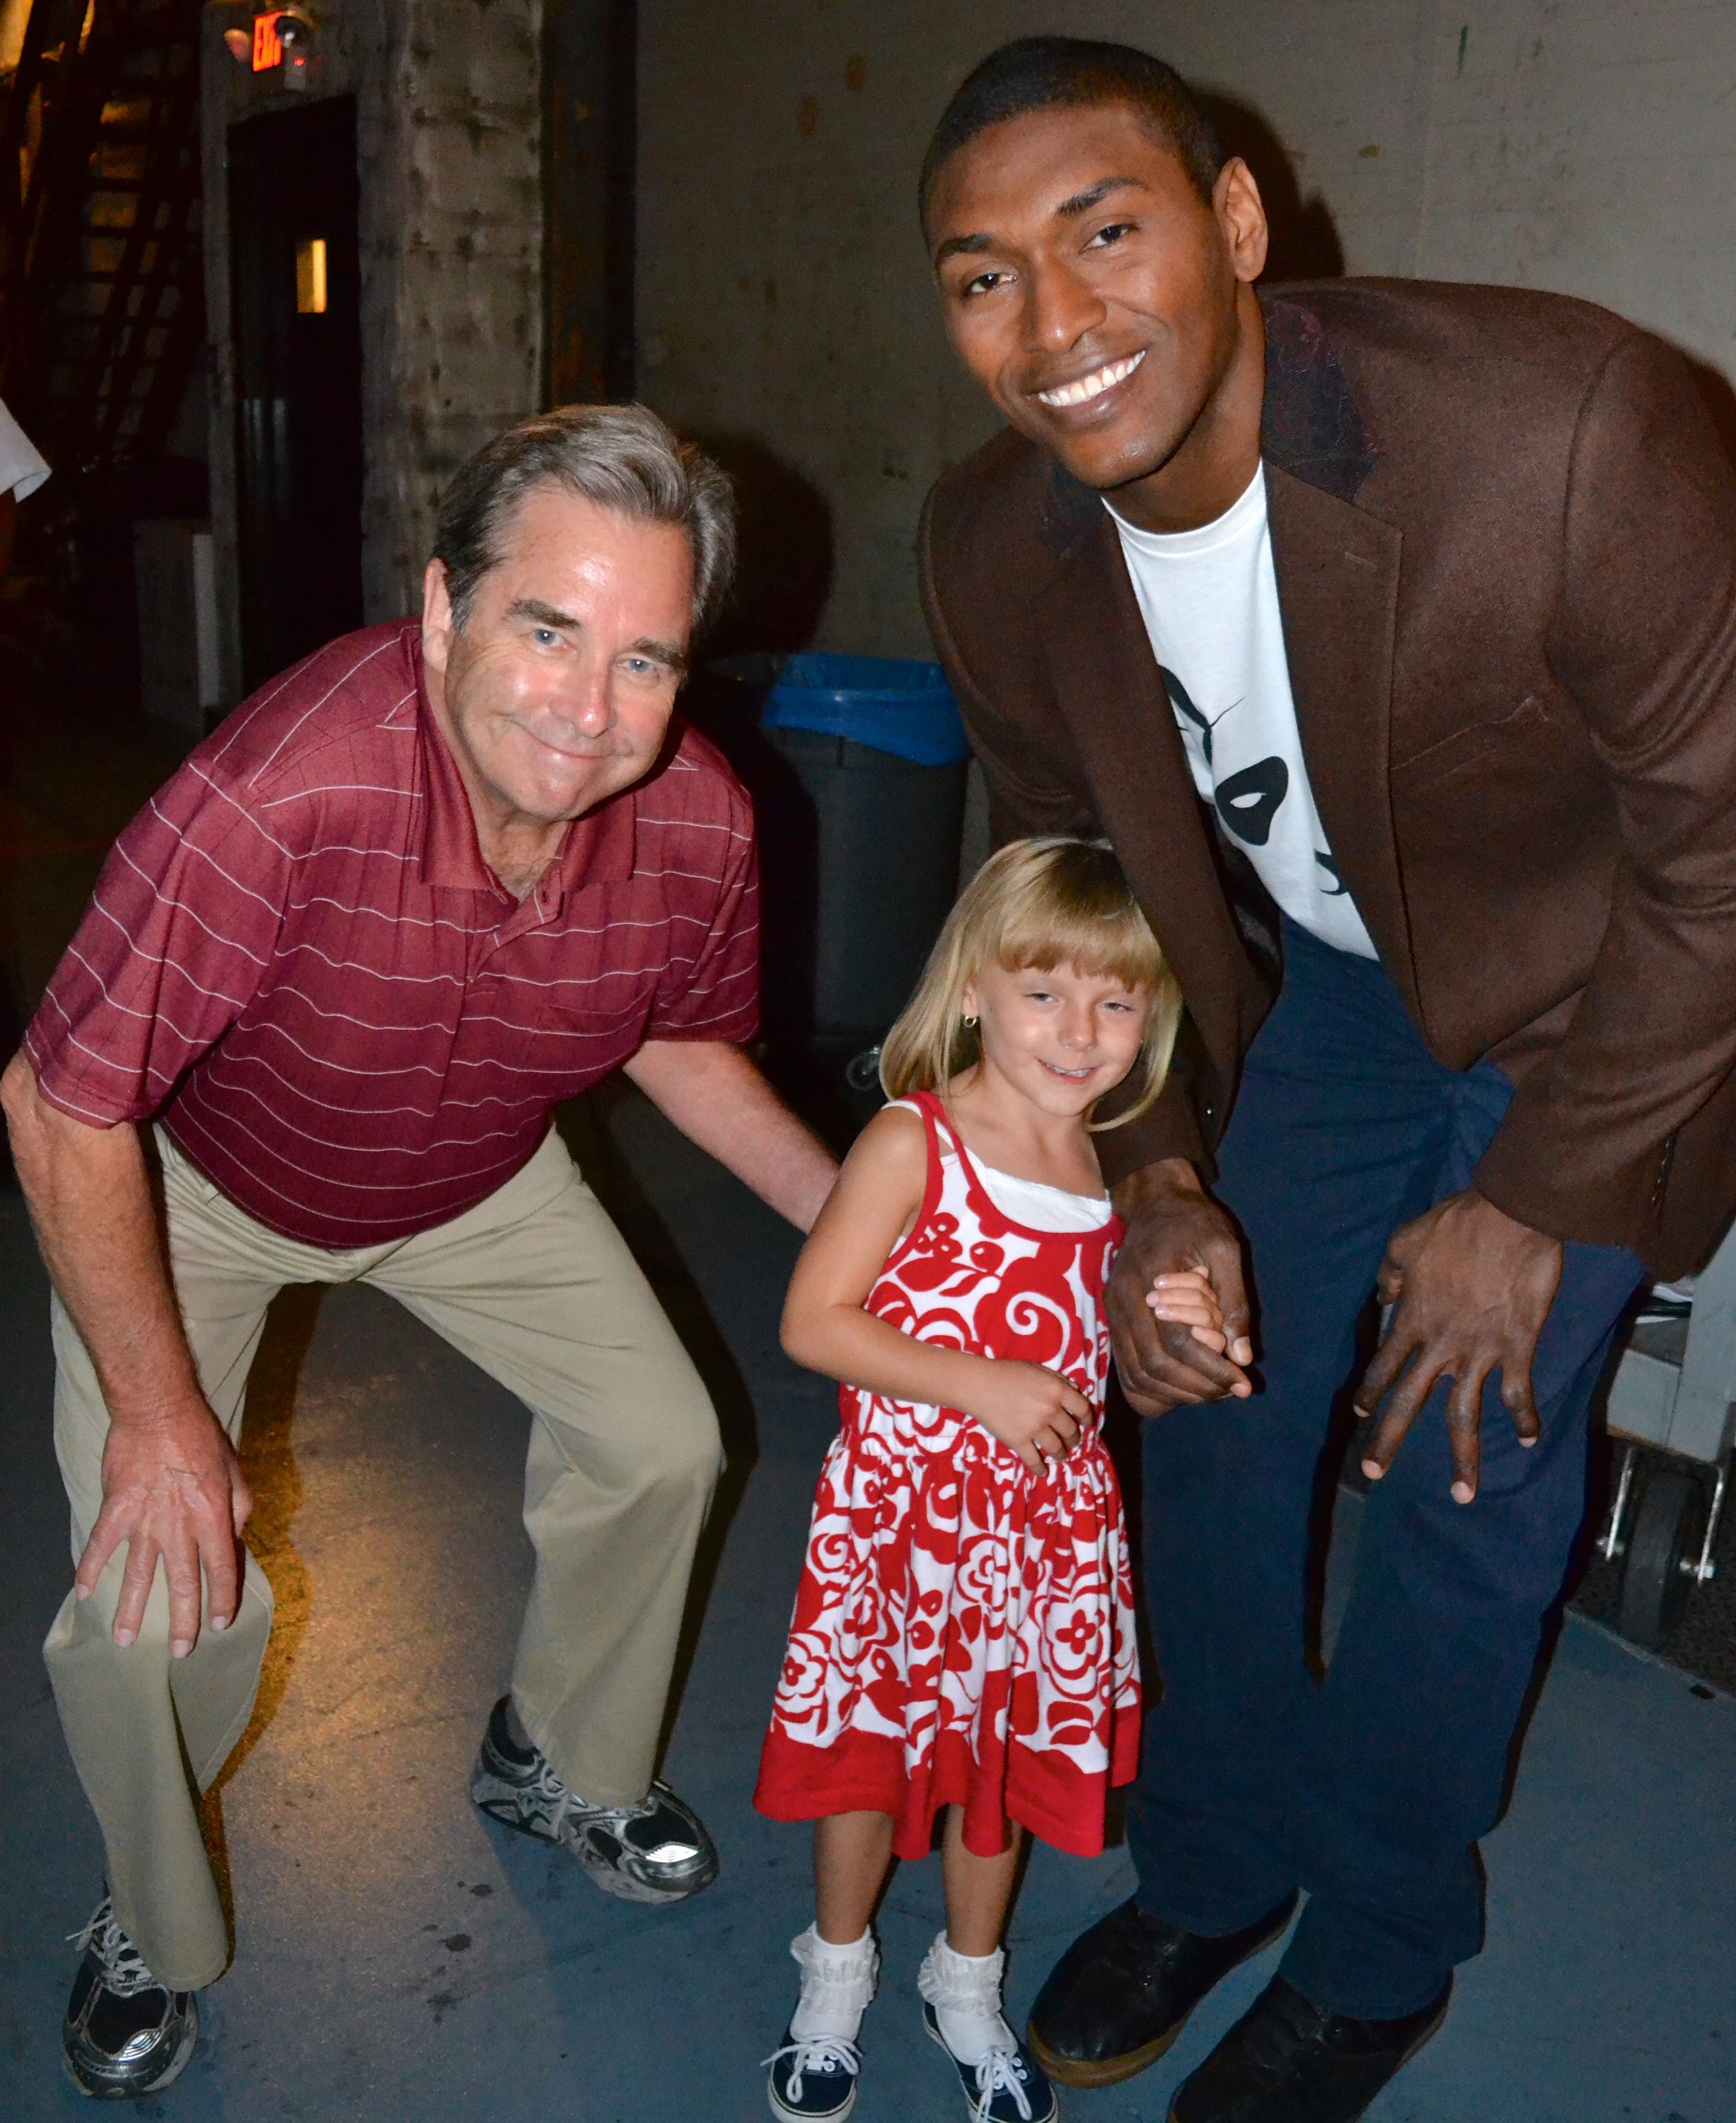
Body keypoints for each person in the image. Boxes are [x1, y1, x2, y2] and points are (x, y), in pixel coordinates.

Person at [915, 35, 1736, 2123]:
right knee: (1198, 1393)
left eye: (1103, 231)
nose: (1054, 321)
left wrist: (1537, 1201)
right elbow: (1066, 883)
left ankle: (1374, 1946)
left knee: (1461, 1455)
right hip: (1360, 984)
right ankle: (1213, 1862)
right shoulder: (996, 544)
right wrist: (1156, 1170)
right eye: (981, 274)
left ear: (1238, 226)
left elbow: (1723, 850)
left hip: (1612, 993)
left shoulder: (1570, 433)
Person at [1, 403, 840, 2100]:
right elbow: (57, 1096)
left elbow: (679, 1038)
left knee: (667, 1441)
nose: (587, 708)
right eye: (547, 629)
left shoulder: (697, 821)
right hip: (206, 1195)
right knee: (158, 1595)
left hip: (469, 1171)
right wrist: (165, 1421)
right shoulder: (277, 792)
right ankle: (150, 1922)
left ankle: (558, 1757)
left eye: (644, 660)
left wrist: (863, 1226)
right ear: (444, 610)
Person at [754, 836, 1214, 2123]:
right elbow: (814, 1322)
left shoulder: (1113, 1174)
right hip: (902, 1532)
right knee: (867, 1759)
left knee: (995, 1779)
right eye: (1042, 992)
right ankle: (833, 1976)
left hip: (1040, 1547)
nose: (1079, 1031)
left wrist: (1182, 1327)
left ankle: (967, 1985)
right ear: (970, 990)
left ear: (1150, 1021)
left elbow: (1101, 1356)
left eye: (1115, 1001)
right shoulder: (917, 1143)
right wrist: (978, 1386)